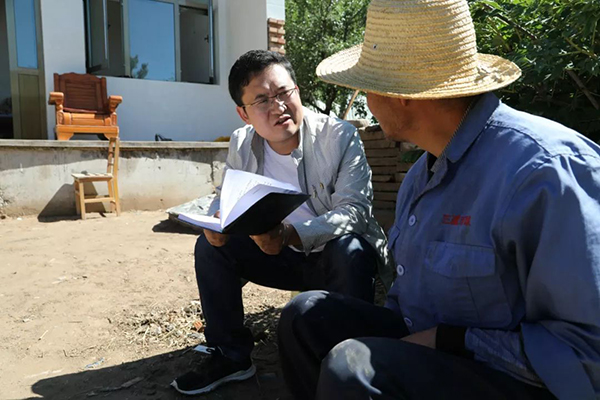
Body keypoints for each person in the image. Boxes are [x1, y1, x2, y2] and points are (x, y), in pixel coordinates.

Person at [278, 0, 600, 399]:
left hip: (517, 379)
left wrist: (452, 340)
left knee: (352, 369)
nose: (366, 101)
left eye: (367, 86)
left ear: (400, 94)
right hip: (440, 355)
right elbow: (410, 308)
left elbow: (587, 355)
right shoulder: (421, 177)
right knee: (306, 317)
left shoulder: (544, 172)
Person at [170, 50, 393, 395]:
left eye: (284, 92)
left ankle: (351, 360)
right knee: (210, 247)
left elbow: (356, 211)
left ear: (297, 90)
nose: (278, 107)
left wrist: (291, 234)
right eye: (262, 100)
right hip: (277, 257)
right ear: (243, 113)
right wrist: (217, 220)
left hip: (332, 259)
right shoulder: (242, 143)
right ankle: (230, 355)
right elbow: (227, 195)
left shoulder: (339, 136)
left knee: (349, 247)